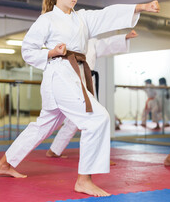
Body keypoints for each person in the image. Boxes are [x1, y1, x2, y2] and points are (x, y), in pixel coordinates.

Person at [0, 0, 159, 197]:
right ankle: (84, 179)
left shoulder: (81, 18)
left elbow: (106, 15)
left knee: (43, 126)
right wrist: (51, 52)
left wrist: (140, 7)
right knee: (98, 118)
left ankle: (5, 163)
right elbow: (28, 50)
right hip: (60, 74)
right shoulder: (47, 20)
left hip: (73, 75)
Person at [46, 30, 138, 159]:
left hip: (87, 82)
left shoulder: (91, 42)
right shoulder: (68, 40)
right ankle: (94, 156)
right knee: (89, 118)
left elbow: (107, 44)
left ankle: (56, 150)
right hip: (71, 82)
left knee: (83, 119)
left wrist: (125, 37)